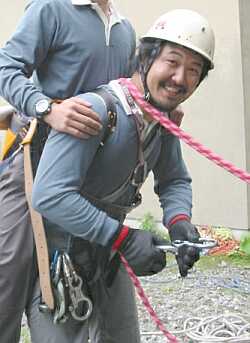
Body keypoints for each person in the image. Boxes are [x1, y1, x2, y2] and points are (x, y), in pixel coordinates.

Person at [31, 8, 215, 343]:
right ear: (145, 59)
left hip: (108, 254)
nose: (180, 78)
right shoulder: (94, 111)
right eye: (172, 62)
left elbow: (174, 179)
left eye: (193, 70)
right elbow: (50, 195)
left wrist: (179, 221)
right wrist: (125, 238)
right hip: (61, 259)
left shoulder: (161, 120)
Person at [0, 1, 137, 342]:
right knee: (10, 264)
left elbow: (130, 90)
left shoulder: (124, 29)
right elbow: (6, 69)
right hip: (34, 160)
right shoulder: (52, 9)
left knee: (101, 266)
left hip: (90, 175)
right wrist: (46, 108)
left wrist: (159, 113)